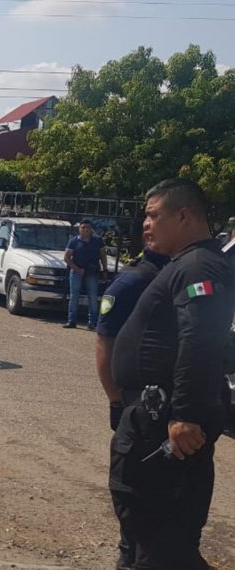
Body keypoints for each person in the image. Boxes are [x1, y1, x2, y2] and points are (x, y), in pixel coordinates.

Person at [108, 178, 234, 570]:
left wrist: (185, 414)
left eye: (153, 215)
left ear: (183, 216)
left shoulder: (199, 266)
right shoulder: (186, 263)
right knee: (146, 540)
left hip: (166, 426)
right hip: (153, 421)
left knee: (163, 547)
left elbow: (201, 339)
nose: (146, 224)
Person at [93, 243, 170, 569]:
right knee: (139, 528)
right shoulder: (134, 281)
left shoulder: (176, 275)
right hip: (140, 409)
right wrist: (116, 400)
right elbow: (104, 343)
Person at [64, 220, 108, 329]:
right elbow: (67, 258)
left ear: (91, 229)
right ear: (79, 229)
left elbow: (103, 256)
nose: (85, 229)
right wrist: (77, 269)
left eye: (88, 227)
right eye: (83, 227)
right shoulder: (73, 241)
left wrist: (105, 269)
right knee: (74, 297)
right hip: (76, 271)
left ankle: (92, 322)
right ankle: (71, 321)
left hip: (93, 272)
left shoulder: (98, 241)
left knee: (93, 297)